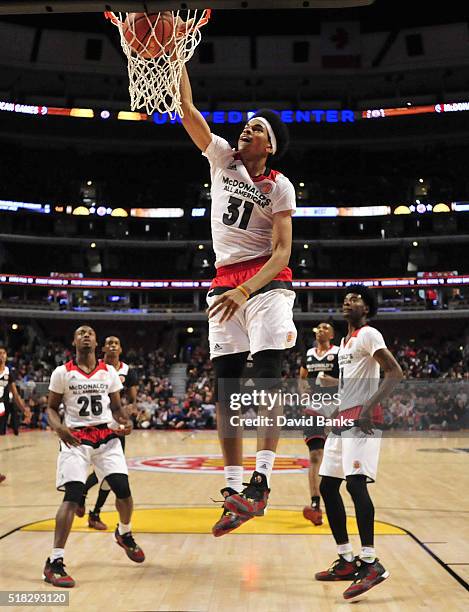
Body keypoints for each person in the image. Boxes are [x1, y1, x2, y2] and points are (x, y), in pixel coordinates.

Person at [180, 65, 297, 536]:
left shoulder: (280, 185)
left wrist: (246, 290)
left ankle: (261, 481)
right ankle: (233, 491)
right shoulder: (222, 159)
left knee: (268, 376)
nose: (247, 129)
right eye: (247, 125)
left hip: (267, 282)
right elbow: (188, 111)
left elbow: (283, 250)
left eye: (257, 129)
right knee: (225, 388)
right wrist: (174, 59)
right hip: (223, 281)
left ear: (268, 146)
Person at [315, 286, 403, 600]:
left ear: (366, 308)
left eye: (355, 299)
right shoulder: (344, 342)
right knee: (327, 486)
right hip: (343, 417)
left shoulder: (369, 334)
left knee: (355, 485)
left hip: (364, 418)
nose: (347, 302)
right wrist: (335, 393)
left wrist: (366, 409)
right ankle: (346, 560)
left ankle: (370, 562)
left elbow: (395, 372)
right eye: (345, 299)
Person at [44, 326, 144, 588]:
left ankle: (124, 533)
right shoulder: (62, 373)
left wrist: (125, 422)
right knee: (74, 495)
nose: (86, 335)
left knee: (122, 488)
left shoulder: (109, 372)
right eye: (80, 333)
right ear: (74, 341)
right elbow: (51, 409)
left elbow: (117, 407)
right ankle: (54, 562)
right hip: (75, 439)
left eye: (90, 333)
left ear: (95, 341)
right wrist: (59, 428)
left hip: (106, 437)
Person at [76, 336, 139, 530]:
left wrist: (131, 410)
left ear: (120, 349)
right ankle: (84, 499)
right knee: (104, 473)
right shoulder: (95, 368)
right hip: (94, 424)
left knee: (112, 473)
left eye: (116, 343)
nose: (112, 346)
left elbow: (132, 400)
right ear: (103, 348)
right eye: (109, 343)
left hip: (116, 424)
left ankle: (91, 508)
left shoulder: (127, 371)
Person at [299, 322, 339, 526]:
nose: (320, 330)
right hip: (314, 407)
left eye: (325, 328)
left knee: (334, 457)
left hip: (337, 407)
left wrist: (333, 382)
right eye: (318, 328)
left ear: (331, 334)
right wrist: (303, 389)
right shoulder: (308, 354)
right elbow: (302, 377)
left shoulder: (339, 353)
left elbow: (350, 381)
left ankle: (334, 499)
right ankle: (315, 505)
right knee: (315, 455)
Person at [0, 345, 30, 436]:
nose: (1, 355)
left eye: (3, 353)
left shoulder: (9, 372)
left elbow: (15, 395)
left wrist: (24, 410)